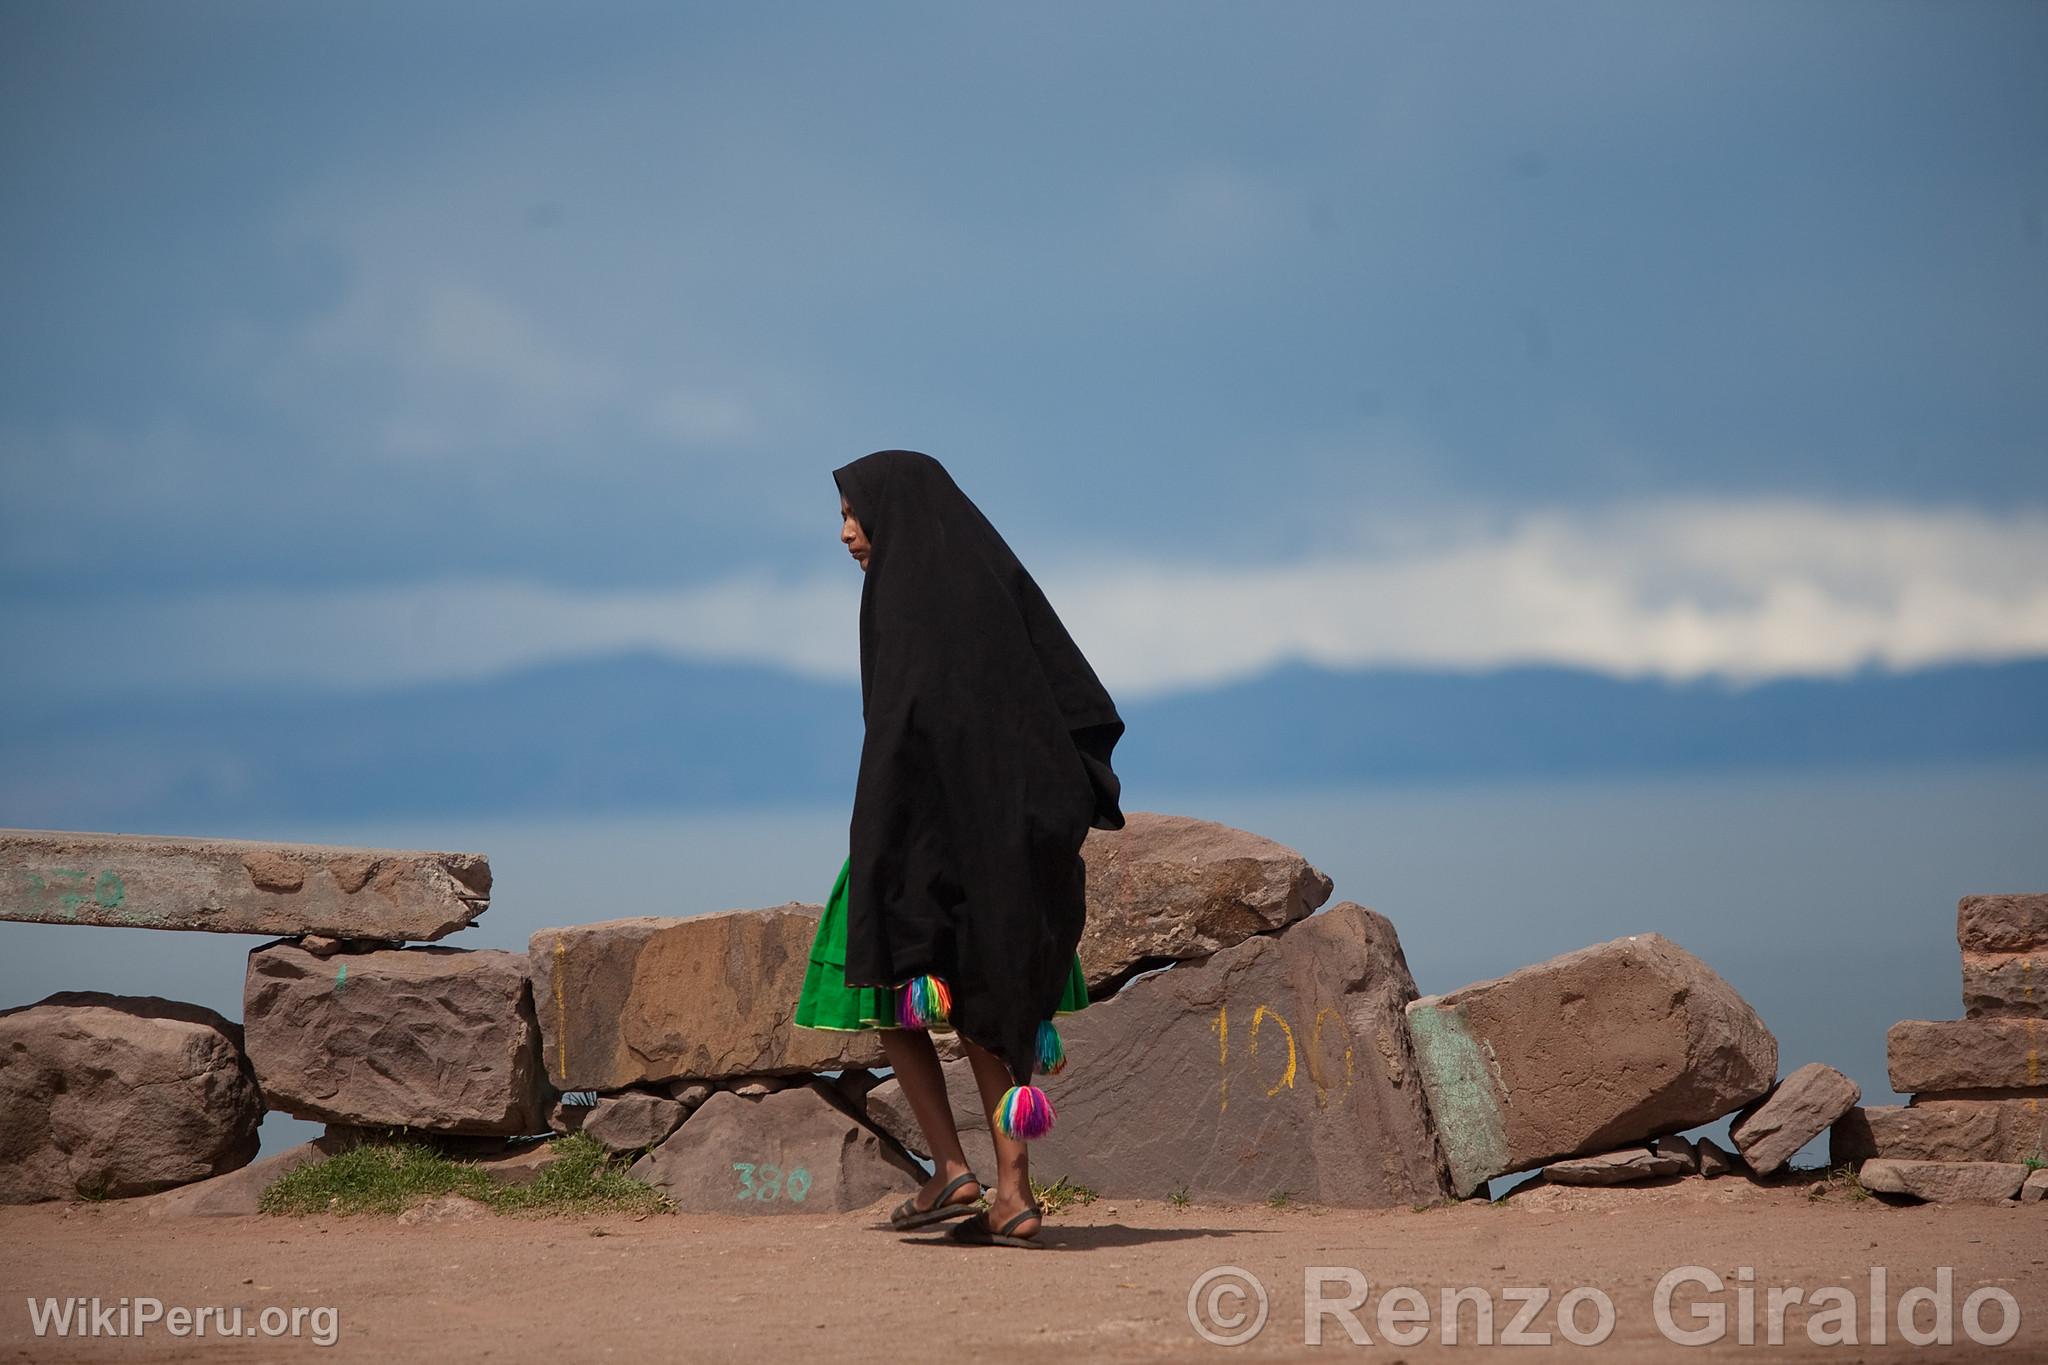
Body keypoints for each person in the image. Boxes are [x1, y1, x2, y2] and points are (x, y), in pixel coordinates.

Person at [793, 449, 1127, 1249]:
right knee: (986, 1004)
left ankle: (951, 1168)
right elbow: (1069, 701)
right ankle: (1011, 1191)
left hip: (918, 835)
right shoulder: (992, 581)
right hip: (1005, 841)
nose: (844, 533)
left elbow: (901, 738)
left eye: (852, 514)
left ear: (894, 514)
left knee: (884, 984)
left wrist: (884, 836)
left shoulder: (902, 597)